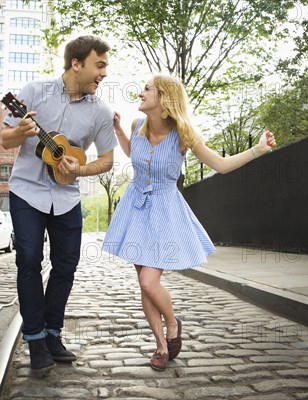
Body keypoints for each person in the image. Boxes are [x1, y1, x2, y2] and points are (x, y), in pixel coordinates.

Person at [103, 74, 276, 371]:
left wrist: (258, 150)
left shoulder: (184, 135)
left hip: (165, 211)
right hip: (135, 208)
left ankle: (173, 323)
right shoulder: (137, 126)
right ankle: (160, 345)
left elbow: (220, 165)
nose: (141, 92)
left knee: (149, 280)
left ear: (164, 98)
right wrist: (120, 130)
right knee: (144, 285)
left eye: (147, 89)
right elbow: (134, 153)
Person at [1, 35, 117, 372]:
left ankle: (53, 333)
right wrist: (22, 131)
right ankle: (35, 339)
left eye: (106, 67)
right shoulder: (35, 91)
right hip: (26, 191)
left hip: (67, 197)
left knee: (66, 266)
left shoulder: (101, 112)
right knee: (29, 261)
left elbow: (107, 160)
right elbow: (5, 137)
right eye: (100, 65)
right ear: (76, 64)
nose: (104, 73)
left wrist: (79, 168)